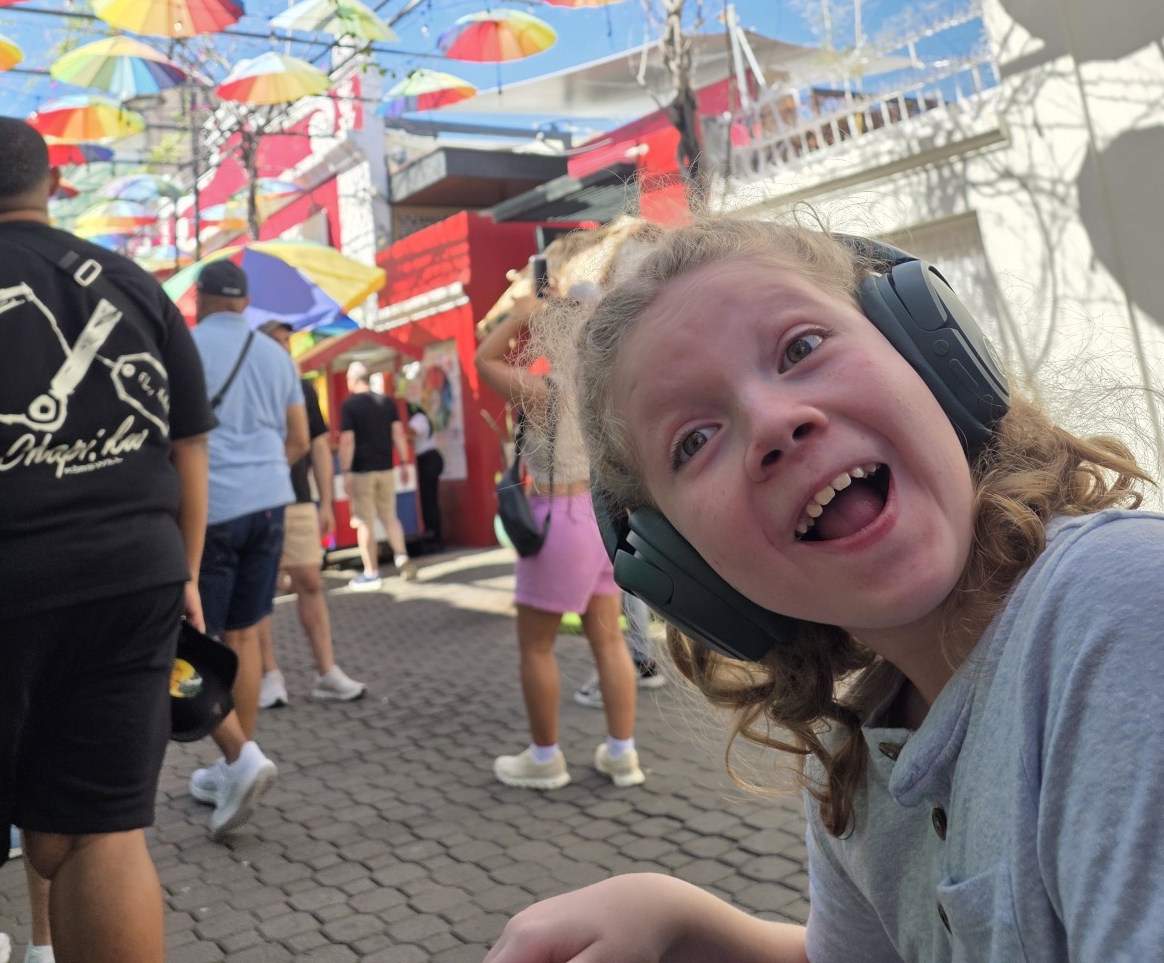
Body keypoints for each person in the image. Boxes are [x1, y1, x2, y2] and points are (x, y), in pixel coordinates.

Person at [485, 217, 1162, 963]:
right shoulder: (858, 755)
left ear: (933, 360)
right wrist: (683, 923)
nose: (776, 422)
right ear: (687, 572)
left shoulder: (1116, 612)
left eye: (801, 348)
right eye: (696, 439)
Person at [0, 116, 212, 963]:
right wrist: (185, 568)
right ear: (52, 185)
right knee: (93, 834)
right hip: (131, 575)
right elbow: (188, 445)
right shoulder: (134, 282)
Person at [476, 286, 643, 791]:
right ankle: (622, 755)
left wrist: (520, 311)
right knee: (610, 642)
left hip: (558, 519)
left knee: (536, 647)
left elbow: (483, 359)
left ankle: (546, 758)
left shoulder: (544, 389)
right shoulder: (607, 384)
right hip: (601, 519)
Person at [188, 264, 309, 839]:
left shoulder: (183, 346)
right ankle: (238, 758)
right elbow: (300, 439)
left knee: (199, 641)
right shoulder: (275, 353)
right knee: (246, 632)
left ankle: (238, 760)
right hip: (270, 503)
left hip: (210, 509)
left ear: (201, 298)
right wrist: (263, 476)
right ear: (245, 303)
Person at [255, 321, 365, 706]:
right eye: (278, 341)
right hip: (257, 499)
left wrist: (326, 504)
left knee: (310, 581)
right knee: (260, 590)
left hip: (297, 499)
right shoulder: (249, 386)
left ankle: (326, 672)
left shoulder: (300, 388)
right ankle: (270, 675)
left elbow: (318, 447)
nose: (285, 347)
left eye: (288, 340)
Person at [340, 363, 417, 589]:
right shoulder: (386, 402)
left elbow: (347, 441)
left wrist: (345, 471)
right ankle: (402, 557)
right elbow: (398, 433)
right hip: (386, 468)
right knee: (390, 516)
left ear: (354, 380)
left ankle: (371, 572)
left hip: (362, 471)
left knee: (365, 521)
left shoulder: (349, 405)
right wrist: (403, 462)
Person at [407, 384, 444, 551]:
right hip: (429, 459)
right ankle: (433, 534)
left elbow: (410, 435)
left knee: (428, 500)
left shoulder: (418, 419)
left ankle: (434, 535)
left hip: (428, 459)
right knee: (428, 499)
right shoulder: (421, 418)